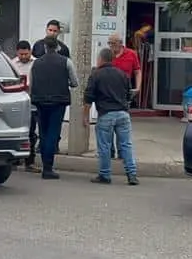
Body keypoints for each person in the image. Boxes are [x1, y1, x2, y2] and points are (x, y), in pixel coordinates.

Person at [83, 47, 139, 185]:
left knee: (104, 146)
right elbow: (128, 94)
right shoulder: (122, 74)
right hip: (123, 114)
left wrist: (85, 116)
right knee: (126, 145)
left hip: (106, 114)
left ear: (100, 59)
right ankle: (132, 174)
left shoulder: (96, 75)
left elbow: (88, 97)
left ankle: (105, 174)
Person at [29, 36, 78, 179]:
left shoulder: (36, 63)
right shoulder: (66, 62)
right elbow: (74, 82)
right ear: (58, 47)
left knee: (43, 132)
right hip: (58, 102)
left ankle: (45, 165)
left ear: (45, 47)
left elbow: (31, 84)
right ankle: (48, 168)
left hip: (40, 102)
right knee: (53, 133)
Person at [106, 33, 142, 158]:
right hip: (108, 93)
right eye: (109, 43)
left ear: (121, 43)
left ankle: (122, 152)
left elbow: (137, 71)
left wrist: (138, 87)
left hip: (124, 94)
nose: (111, 46)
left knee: (121, 125)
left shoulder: (131, 54)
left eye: (113, 43)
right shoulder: (107, 55)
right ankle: (110, 151)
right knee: (107, 124)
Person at [11, 40, 40, 173]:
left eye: (26, 54)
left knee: (31, 133)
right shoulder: (12, 64)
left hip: (32, 102)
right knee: (15, 132)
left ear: (30, 52)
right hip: (16, 102)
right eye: (21, 54)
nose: (23, 57)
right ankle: (14, 160)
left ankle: (30, 162)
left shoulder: (37, 63)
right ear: (17, 53)